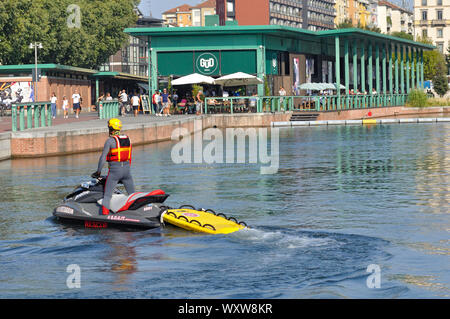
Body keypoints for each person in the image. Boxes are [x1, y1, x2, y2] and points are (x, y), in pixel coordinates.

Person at [91, 118, 135, 216]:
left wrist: (98, 172)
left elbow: (103, 158)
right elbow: (130, 157)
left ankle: (105, 216)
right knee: (132, 195)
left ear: (111, 128)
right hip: (127, 171)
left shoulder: (110, 141)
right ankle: (137, 213)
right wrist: (125, 172)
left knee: (107, 196)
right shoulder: (128, 139)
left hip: (115, 171)